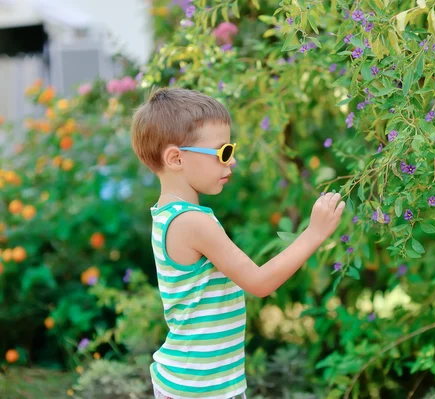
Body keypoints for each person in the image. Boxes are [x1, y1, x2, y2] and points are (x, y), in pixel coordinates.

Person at [130, 87, 345, 399]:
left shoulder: (169, 214)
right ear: (176, 158)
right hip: (200, 389)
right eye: (223, 152)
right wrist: (314, 234)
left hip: (199, 381)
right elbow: (258, 283)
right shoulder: (192, 222)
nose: (231, 162)